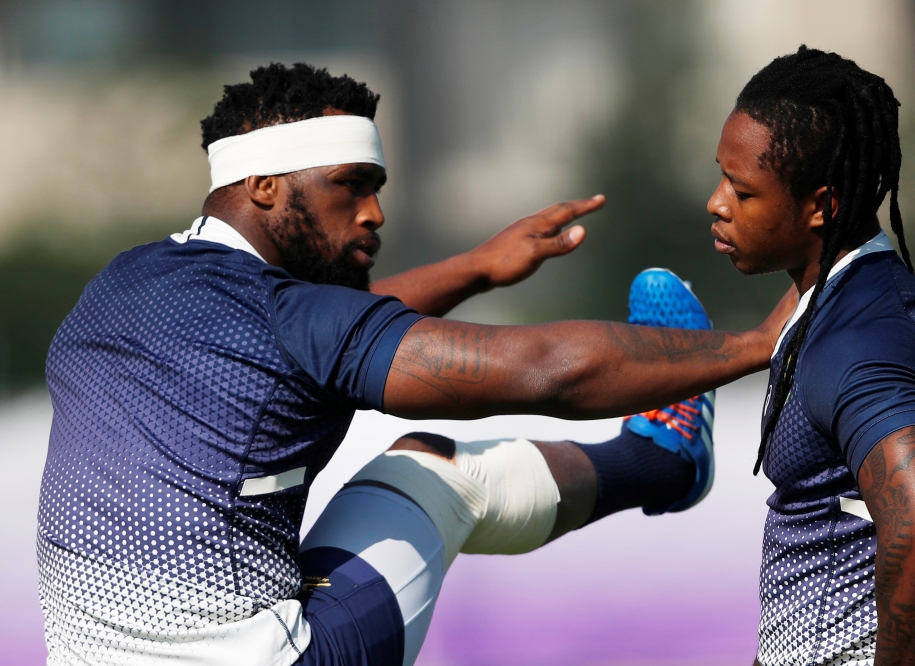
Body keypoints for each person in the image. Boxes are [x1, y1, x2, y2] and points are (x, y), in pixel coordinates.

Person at [37, 62, 793, 666]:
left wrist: (477, 269)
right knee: (428, 467)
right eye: (350, 186)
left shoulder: (123, 284)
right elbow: (543, 370)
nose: (375, 214)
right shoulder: (292, 320)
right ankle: (663, 459)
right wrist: (755, 346)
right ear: (264, 186)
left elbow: (321, 334)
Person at [706, 46, 915, 666]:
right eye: (722, 176)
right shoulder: (843, 302)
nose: (717, 203)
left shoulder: (858, 341)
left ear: (821, 206)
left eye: (743, 191)